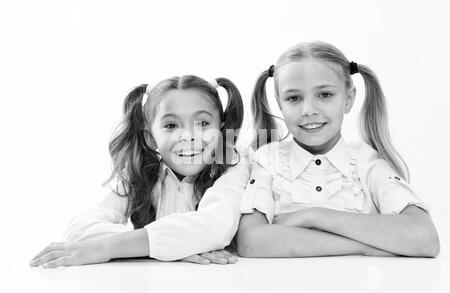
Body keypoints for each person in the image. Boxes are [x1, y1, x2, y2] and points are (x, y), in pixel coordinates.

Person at [238, 41, 440, 258]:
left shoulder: (365, 161)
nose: (308, 110)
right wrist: (363, 247)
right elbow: (251, 242)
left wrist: (314, 217)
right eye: (293, 98)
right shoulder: (267, 160)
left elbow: (424, 238)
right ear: (280, 103)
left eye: (324, 95)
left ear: (348, 99)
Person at [30, 75, 249, 268]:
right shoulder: (140, 172)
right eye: (171, 125)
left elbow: (214, 226)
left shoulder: (233, 166)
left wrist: (117, 247)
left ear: (221, 128)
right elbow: (80, 229)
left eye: (202, 122)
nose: (188, 135)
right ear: (150, 137)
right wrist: (171, 248)